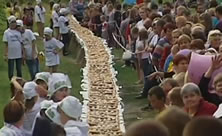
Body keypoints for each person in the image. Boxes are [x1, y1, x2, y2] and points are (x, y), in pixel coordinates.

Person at [3, 15, 23, 80]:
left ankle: (19, 81)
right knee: (11, 69)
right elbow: (6, 44)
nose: (13, 24)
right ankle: (12, 82)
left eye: (14, 22)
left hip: (18, 53)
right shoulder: (6, 32)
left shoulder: (18, 31)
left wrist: (23, 52)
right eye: (12, 22)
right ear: (9, 23)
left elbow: (21, 42)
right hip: (11, 54)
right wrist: (6, 54)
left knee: (19, 69)